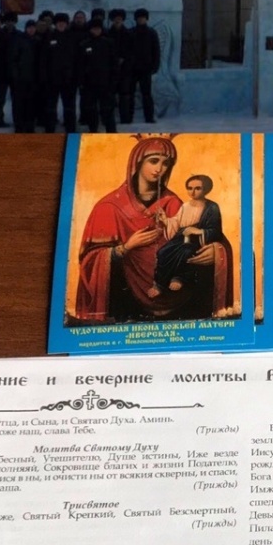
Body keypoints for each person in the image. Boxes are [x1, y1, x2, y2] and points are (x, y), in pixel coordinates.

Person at [75, 135, 216, 321]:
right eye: (153, 161)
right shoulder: (109, 207)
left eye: (166, 163)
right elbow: (90, 260)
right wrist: (125, 248)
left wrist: (215, 250)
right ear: (137, 162)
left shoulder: (174, 203)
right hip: (126, 299)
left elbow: (193, 240)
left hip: (176, 295)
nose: (159, 169)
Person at [148, 174, 222, 296]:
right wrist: (165, 220)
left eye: (197, 188)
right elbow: (176, 223)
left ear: (206, 189)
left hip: (197, 240)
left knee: (186, 252)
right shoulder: (185, 206)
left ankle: (179, 278)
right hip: (181, 237)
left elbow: (215, 230)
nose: (193, 192)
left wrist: (198, 231)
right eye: (190, 188)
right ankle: (159, 284)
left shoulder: (212, 207)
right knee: (162, 252)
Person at [78, 16, 117, 133]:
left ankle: (112, 133)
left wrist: (113, 80)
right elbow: (80, 65)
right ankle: (93, 131)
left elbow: (114, 63)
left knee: (107, 109)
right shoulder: (84, 44)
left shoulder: (108, 43)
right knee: (91, 110)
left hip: (106, 82)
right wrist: (82, 81)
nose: (96, 31)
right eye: (94, 29)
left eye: (98, 28)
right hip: (89, 83)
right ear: (90, 29)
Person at [43, 12, 79, 133]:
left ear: (67, 24)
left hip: (69, 79)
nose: (61, 25)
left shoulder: (72, 37)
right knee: (50, 107)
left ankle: (71, 130)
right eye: (59, 23)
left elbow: (78, 59)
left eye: (63, 22)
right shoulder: (49, 37)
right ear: (55, 24)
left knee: (69, 107)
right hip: (52, 79)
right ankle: (50, 131)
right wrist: (45, 76)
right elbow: (44, 59)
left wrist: (76, 76)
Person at [126, 7, 161, 124]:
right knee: (130, 94)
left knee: (146, 94)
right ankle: (128, 117)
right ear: (136, 19)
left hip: (146, 68)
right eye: (139, 18)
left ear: (146, 19)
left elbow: (156, 51)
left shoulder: (151, 33)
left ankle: (149, 117)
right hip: (132, 68)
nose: (141, 20)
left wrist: (155, 66)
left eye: (143, 18)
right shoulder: (130, 33)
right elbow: (126, 50)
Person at [6, 17, 38, 133]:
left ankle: (30, 126)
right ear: (26, 29)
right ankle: (19, 126)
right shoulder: (19, 40)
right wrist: (16, 75)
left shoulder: (38, 40)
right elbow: (13, 59)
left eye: (33, 28)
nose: (31, 30)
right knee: (19, 104)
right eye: (29, 28)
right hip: (21, 79)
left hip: (33, 79)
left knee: (31, 104)